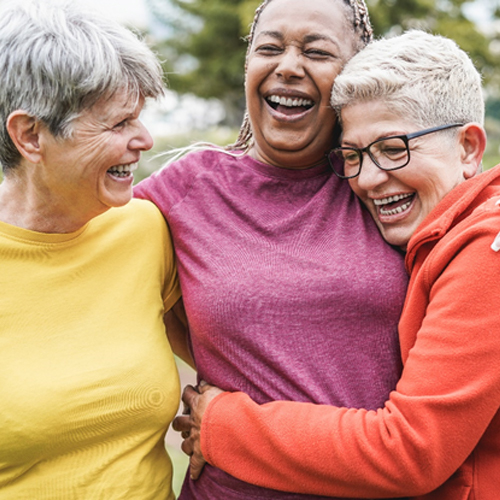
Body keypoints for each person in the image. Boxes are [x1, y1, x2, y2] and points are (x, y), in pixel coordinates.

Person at [173, 30, 500, 499]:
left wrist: (222, 424)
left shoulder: (488, 251)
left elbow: (410, 451)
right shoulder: (449, 238)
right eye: (353, 156)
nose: (368, 179)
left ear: (468, 148)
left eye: (393, 149)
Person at [135, 0, 409, 499]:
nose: (287, 65)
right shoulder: (186, 191)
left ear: (354, 75)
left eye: (316, 51)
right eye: (270, 48)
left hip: (381, 482)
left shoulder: (385, 183)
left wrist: (224, 419)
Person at [0, 1, 185, 498]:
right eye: (118, 124)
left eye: (140, 118)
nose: (144, 139)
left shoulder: (145, 230)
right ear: (30, 135)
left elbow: (228, 362)